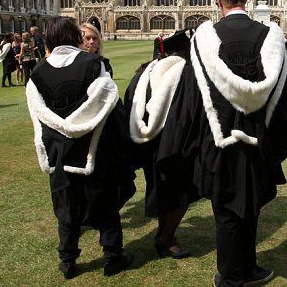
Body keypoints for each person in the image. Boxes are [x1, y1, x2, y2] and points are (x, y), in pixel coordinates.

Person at [172, 0, 287, 286]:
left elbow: (191, 99)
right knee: (251, 203)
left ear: (219, 1)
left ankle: (233, 274)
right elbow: (282, 100)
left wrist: (191, 143)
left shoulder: (203, 41)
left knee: (225, 209)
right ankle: (242, 270)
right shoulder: (270, 38)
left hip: (218, 140)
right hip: (259, 137)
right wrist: (276, 140)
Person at [25, 17, 136, 279]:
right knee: (105, 203)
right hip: (94, 149)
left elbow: (40, 117)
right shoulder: (93, 65)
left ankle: (67, 262)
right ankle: (112, 258)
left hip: (59, 154)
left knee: (66, 207)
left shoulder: (38, 73)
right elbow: (109, 108)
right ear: (75, 38)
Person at [124, 30, 197, 260]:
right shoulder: (183, 74)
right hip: (171, 146)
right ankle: (166, 237)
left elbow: (129, 102)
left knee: (163, 190)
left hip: (146, 143)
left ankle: (164, 234)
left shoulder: (143, 72)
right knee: (181, 193)